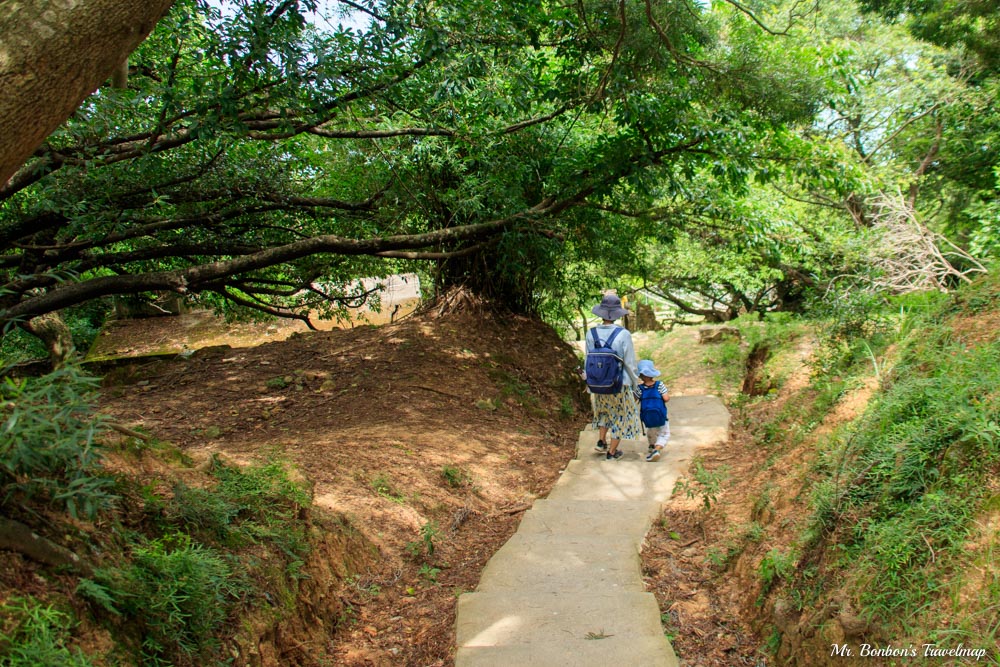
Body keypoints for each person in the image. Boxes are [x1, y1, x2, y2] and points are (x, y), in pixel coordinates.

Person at [586, 293, 641, 460]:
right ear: (617, 314)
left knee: (604, 412)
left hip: (598, 383)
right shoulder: (623, 334)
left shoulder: (591, 333)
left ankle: (601, 441)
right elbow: (630, 364)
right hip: (619, 384)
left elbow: (588, 359)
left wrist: (588, 383)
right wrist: (635, 385)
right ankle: (611, 452)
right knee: (620, 416)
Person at [633, 359, 670, 462]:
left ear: (640, 375)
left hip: (648, 417)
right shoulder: (660, 385)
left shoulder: (639, 388)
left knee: (651, 430)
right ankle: (657, 450)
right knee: (664, 433)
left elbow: (634, 400)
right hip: (661, 415)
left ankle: (651, 445)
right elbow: (666, 398)